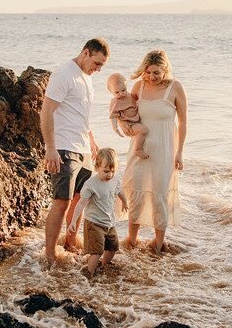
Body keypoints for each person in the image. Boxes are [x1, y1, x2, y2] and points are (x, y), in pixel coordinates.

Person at [41, 38, 109, 266]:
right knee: (62, 200)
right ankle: (49, 255)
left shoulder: (87, 79)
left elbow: (81, 114)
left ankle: (70, 243)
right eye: (97, 63)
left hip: (83, 149)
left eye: (102, 66)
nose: (98, 69)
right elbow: (47, 111)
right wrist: (50, 148)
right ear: (86, 52)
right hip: (63, 146)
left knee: (82, 197)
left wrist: (91, 139)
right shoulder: (64, 74)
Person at [120, 49, 187, 253]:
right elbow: (125, 113)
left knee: (159, 194)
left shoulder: (175, 88)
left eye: (156, 72)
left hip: (165, 150)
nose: (151, 77)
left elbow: (183, 123)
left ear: (165, 69)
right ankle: (131, 240)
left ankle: (158, 243)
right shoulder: (138, 86)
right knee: (136, 191)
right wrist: (126, 128)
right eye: (148, 72)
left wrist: (180, 152)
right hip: (139, 148)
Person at [67, 147, 128, 277]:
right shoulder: (91, 184)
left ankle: (104, 265)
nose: (109, 175)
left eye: (112, 171)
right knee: (97, 251)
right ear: (97, 167)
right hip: (94, 223)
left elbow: (119, 191)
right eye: (106, 171)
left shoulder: (115, 179)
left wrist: (125, 202)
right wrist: (73, 221)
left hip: (109, 223)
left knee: (112, 248)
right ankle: (89, 274)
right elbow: (81, 203)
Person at [107, 72, 149, 159]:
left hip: (135, 121)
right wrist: (115, 129)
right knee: (144, 130)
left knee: (143, 130)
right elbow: (113, 116)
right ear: (111, 91)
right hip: (128, 125)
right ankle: (138, 150)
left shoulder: (129, 96)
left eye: (123, 90)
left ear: (126, 85)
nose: (121, 94)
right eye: (117, 92)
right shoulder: (115, 102)